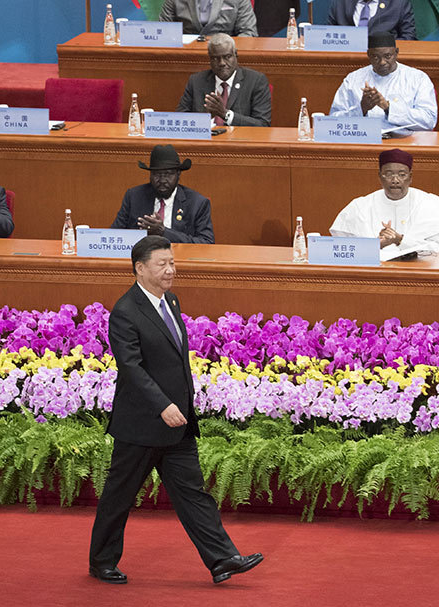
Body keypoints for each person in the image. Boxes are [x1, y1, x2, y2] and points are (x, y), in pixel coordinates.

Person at [89, 235, 263, 585]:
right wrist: (163, 405)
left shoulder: (171, 300)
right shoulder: (125, 312)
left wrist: (181, 403)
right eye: (162, 264)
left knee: (193, 493)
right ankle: (101, 562)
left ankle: (222, 559)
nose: (170, 270)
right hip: (141, 425)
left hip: (177, 422)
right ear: (140, 269)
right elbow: (132, 368)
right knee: (119, 497)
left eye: (172, 263)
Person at [330, 148, 439, 261]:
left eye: (402, 174)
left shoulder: (433, 206)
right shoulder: (360, 207)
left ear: (410, 177)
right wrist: (377, 244)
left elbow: (436, 251)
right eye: (388, 174)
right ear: (379, 176)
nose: (395, 180)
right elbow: (350, 249)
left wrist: (400, 240)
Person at [329, 31, 437, 136]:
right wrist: (361, 109)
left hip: (405, 141)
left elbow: (429, 120)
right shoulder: (353, 79)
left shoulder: (418, 78)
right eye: (376, 57)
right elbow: (334, 120)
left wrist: (388, 108)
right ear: (368, 55)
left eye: (387, 56)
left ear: (396, 53)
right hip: (364, 140)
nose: (382, 62)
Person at [111, 145, 214, 244]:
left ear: (178, 174)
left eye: (168, 174)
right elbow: (114, 235)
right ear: (150, 175)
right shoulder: (134, 196)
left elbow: (206, 242)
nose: (162, 180)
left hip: (178, 254)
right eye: (157, 174)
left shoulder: (197, 203)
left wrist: (164, 232)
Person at [176, 33, 271, 126]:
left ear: (236, 55)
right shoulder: (196, 81)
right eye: (215, 58)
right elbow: (179, 120)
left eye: (227, 57)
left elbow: (262, 124)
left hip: (239, 136)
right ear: (210, 59)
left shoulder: (256, 81)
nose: (222, 63)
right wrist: (205, 117)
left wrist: (225, 114)